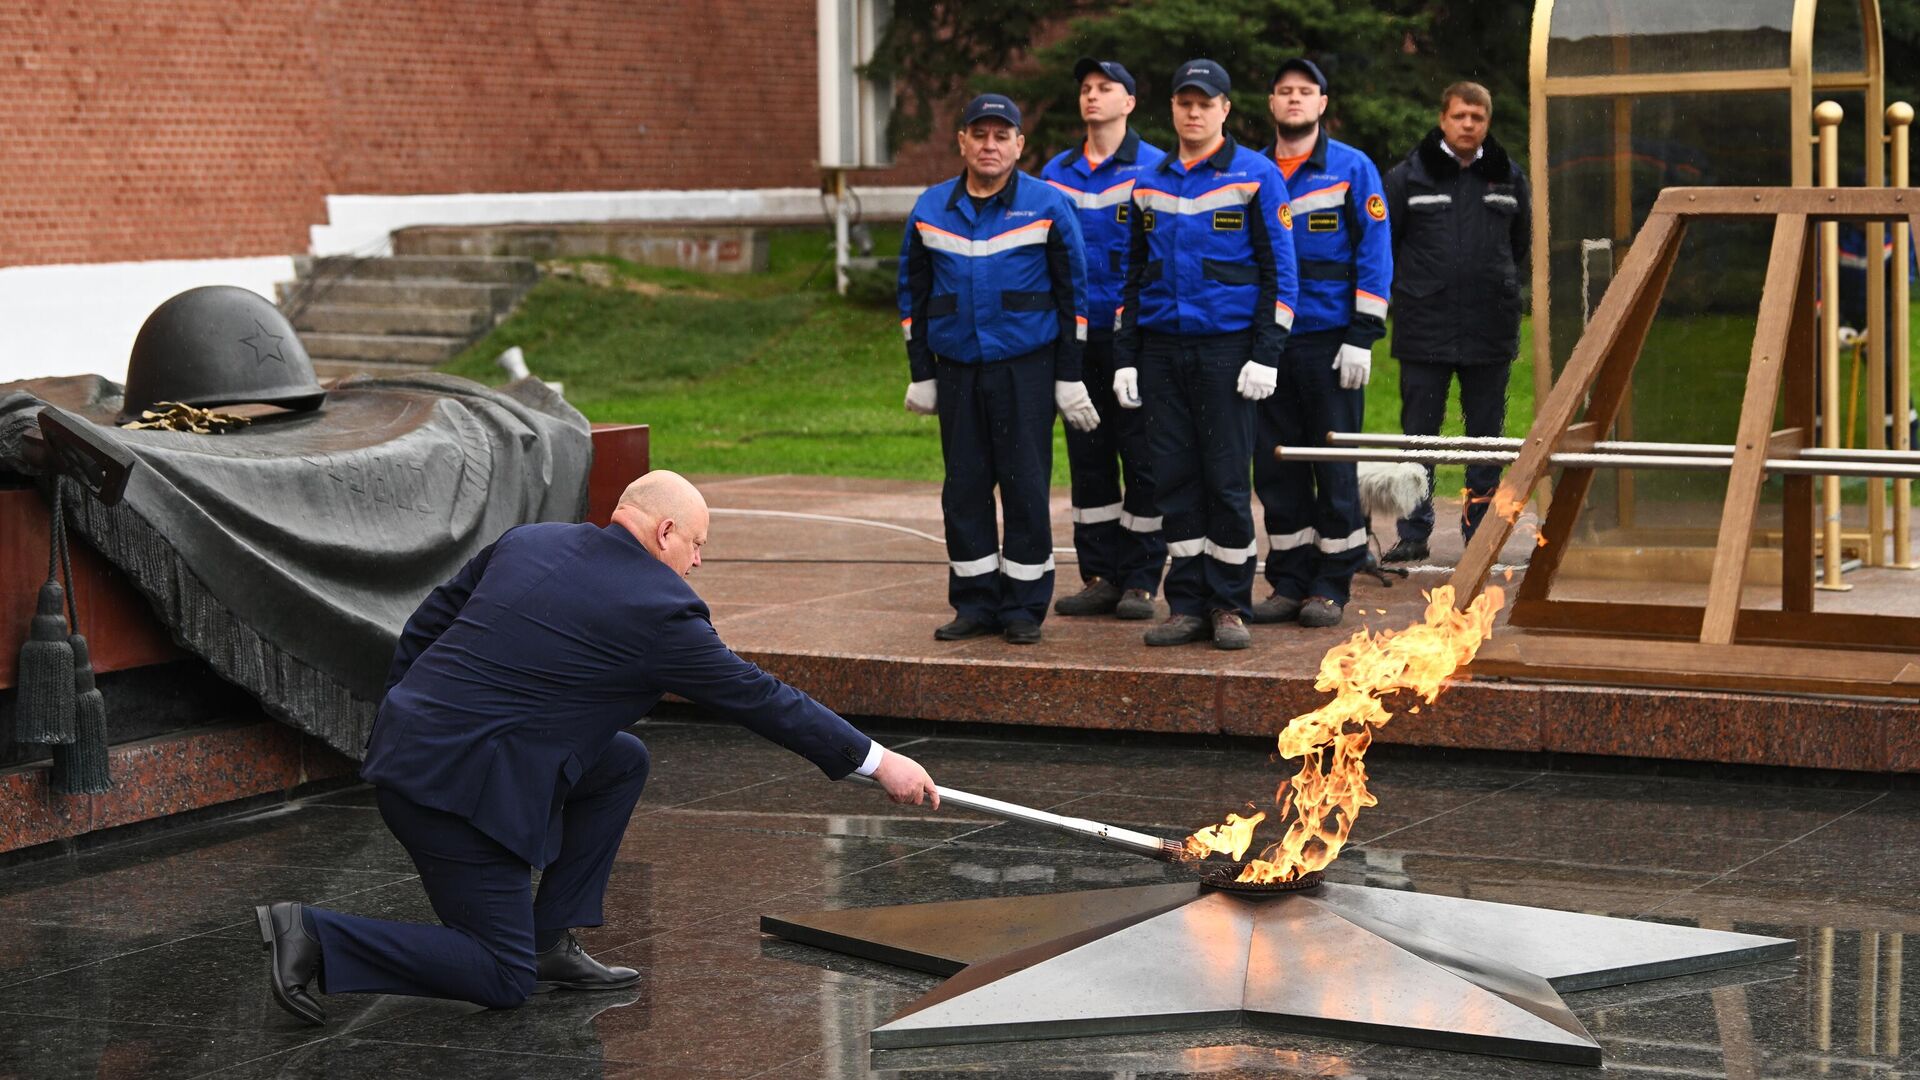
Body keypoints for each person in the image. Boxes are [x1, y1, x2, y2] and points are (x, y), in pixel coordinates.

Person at [253, 471, 941, 1026]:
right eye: (697, 545)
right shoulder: (660, 612)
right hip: (451, 796)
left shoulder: (532, 542)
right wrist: (882, 763)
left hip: (421, 752)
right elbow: (763, 698)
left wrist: (412, 719)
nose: (697, 562)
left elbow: (427, 620)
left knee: (620, 761)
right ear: (664, 530)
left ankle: (550, 937)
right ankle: (315, 936)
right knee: (500, 975)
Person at [898, 93, 1098, 646]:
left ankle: (1023, 607)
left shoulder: (1047, 205)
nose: (990, 145)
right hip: (958, 370)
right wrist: (922, 371)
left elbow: (1073, 299)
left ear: (1019, 145)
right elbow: (912, 298)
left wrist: (1069, 373)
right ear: (962, 141)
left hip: (1024, 372)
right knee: (963, 489)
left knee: (1025, 487)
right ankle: (974, 602)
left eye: (1001, 135)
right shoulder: (930, 208)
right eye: (979, 135)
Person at [1116, 59, 1299, 650]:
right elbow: (1133, 278)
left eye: (1205, 102)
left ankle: (1229, 605)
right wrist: (1125, 356)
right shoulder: (1148, 180)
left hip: (1228, 353)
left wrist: (1266, 353)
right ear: (1172, 109)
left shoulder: (1256, 174)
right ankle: (1188, 604)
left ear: (1224, 110)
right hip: (1163, 353)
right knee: (1174, 481)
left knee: (1224, 481)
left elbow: (1281, 274)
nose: (1194, 112)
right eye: (1184, 102)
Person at [1249, 57, 1393, 629]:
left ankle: (1331, 585)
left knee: (1333, 466)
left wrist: (1362, 336)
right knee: (1277, 468)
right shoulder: (1252, 171)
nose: (1293, 100)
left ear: (1322, 104)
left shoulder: (1353, 170)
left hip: (1331, 344)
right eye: (1283, 91)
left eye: (1304, 92)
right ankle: (1288, 582)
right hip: (1269, 349)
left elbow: (1375, 255)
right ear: (1270, 103)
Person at [1381, 80, 1531, 563]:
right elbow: (1386, 246)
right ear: (1443, 119)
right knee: (1418, 435)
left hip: (1490, 327)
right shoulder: (1408, 177)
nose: (1468, 125)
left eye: (1478, 118)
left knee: (1485, 436)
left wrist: (1502, 286)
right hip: (1423, 324)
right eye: (1460, 116)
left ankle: (1479, 531)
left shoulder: (1509, 177)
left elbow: (1521, 244)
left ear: (1488, 123)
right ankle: (1413, 530)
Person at [1042, 58, 1168, 622]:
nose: (1093, 96)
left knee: (1142, 458)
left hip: (1132, 341)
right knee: (1088, 459)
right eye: (1086, 88)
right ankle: (1099, 575)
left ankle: (1141, 579)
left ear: (1130, 102)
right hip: (1073, 339)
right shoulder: (1055, 172)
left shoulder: (1156, 169)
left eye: (1106, 88)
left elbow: (1161, 259)